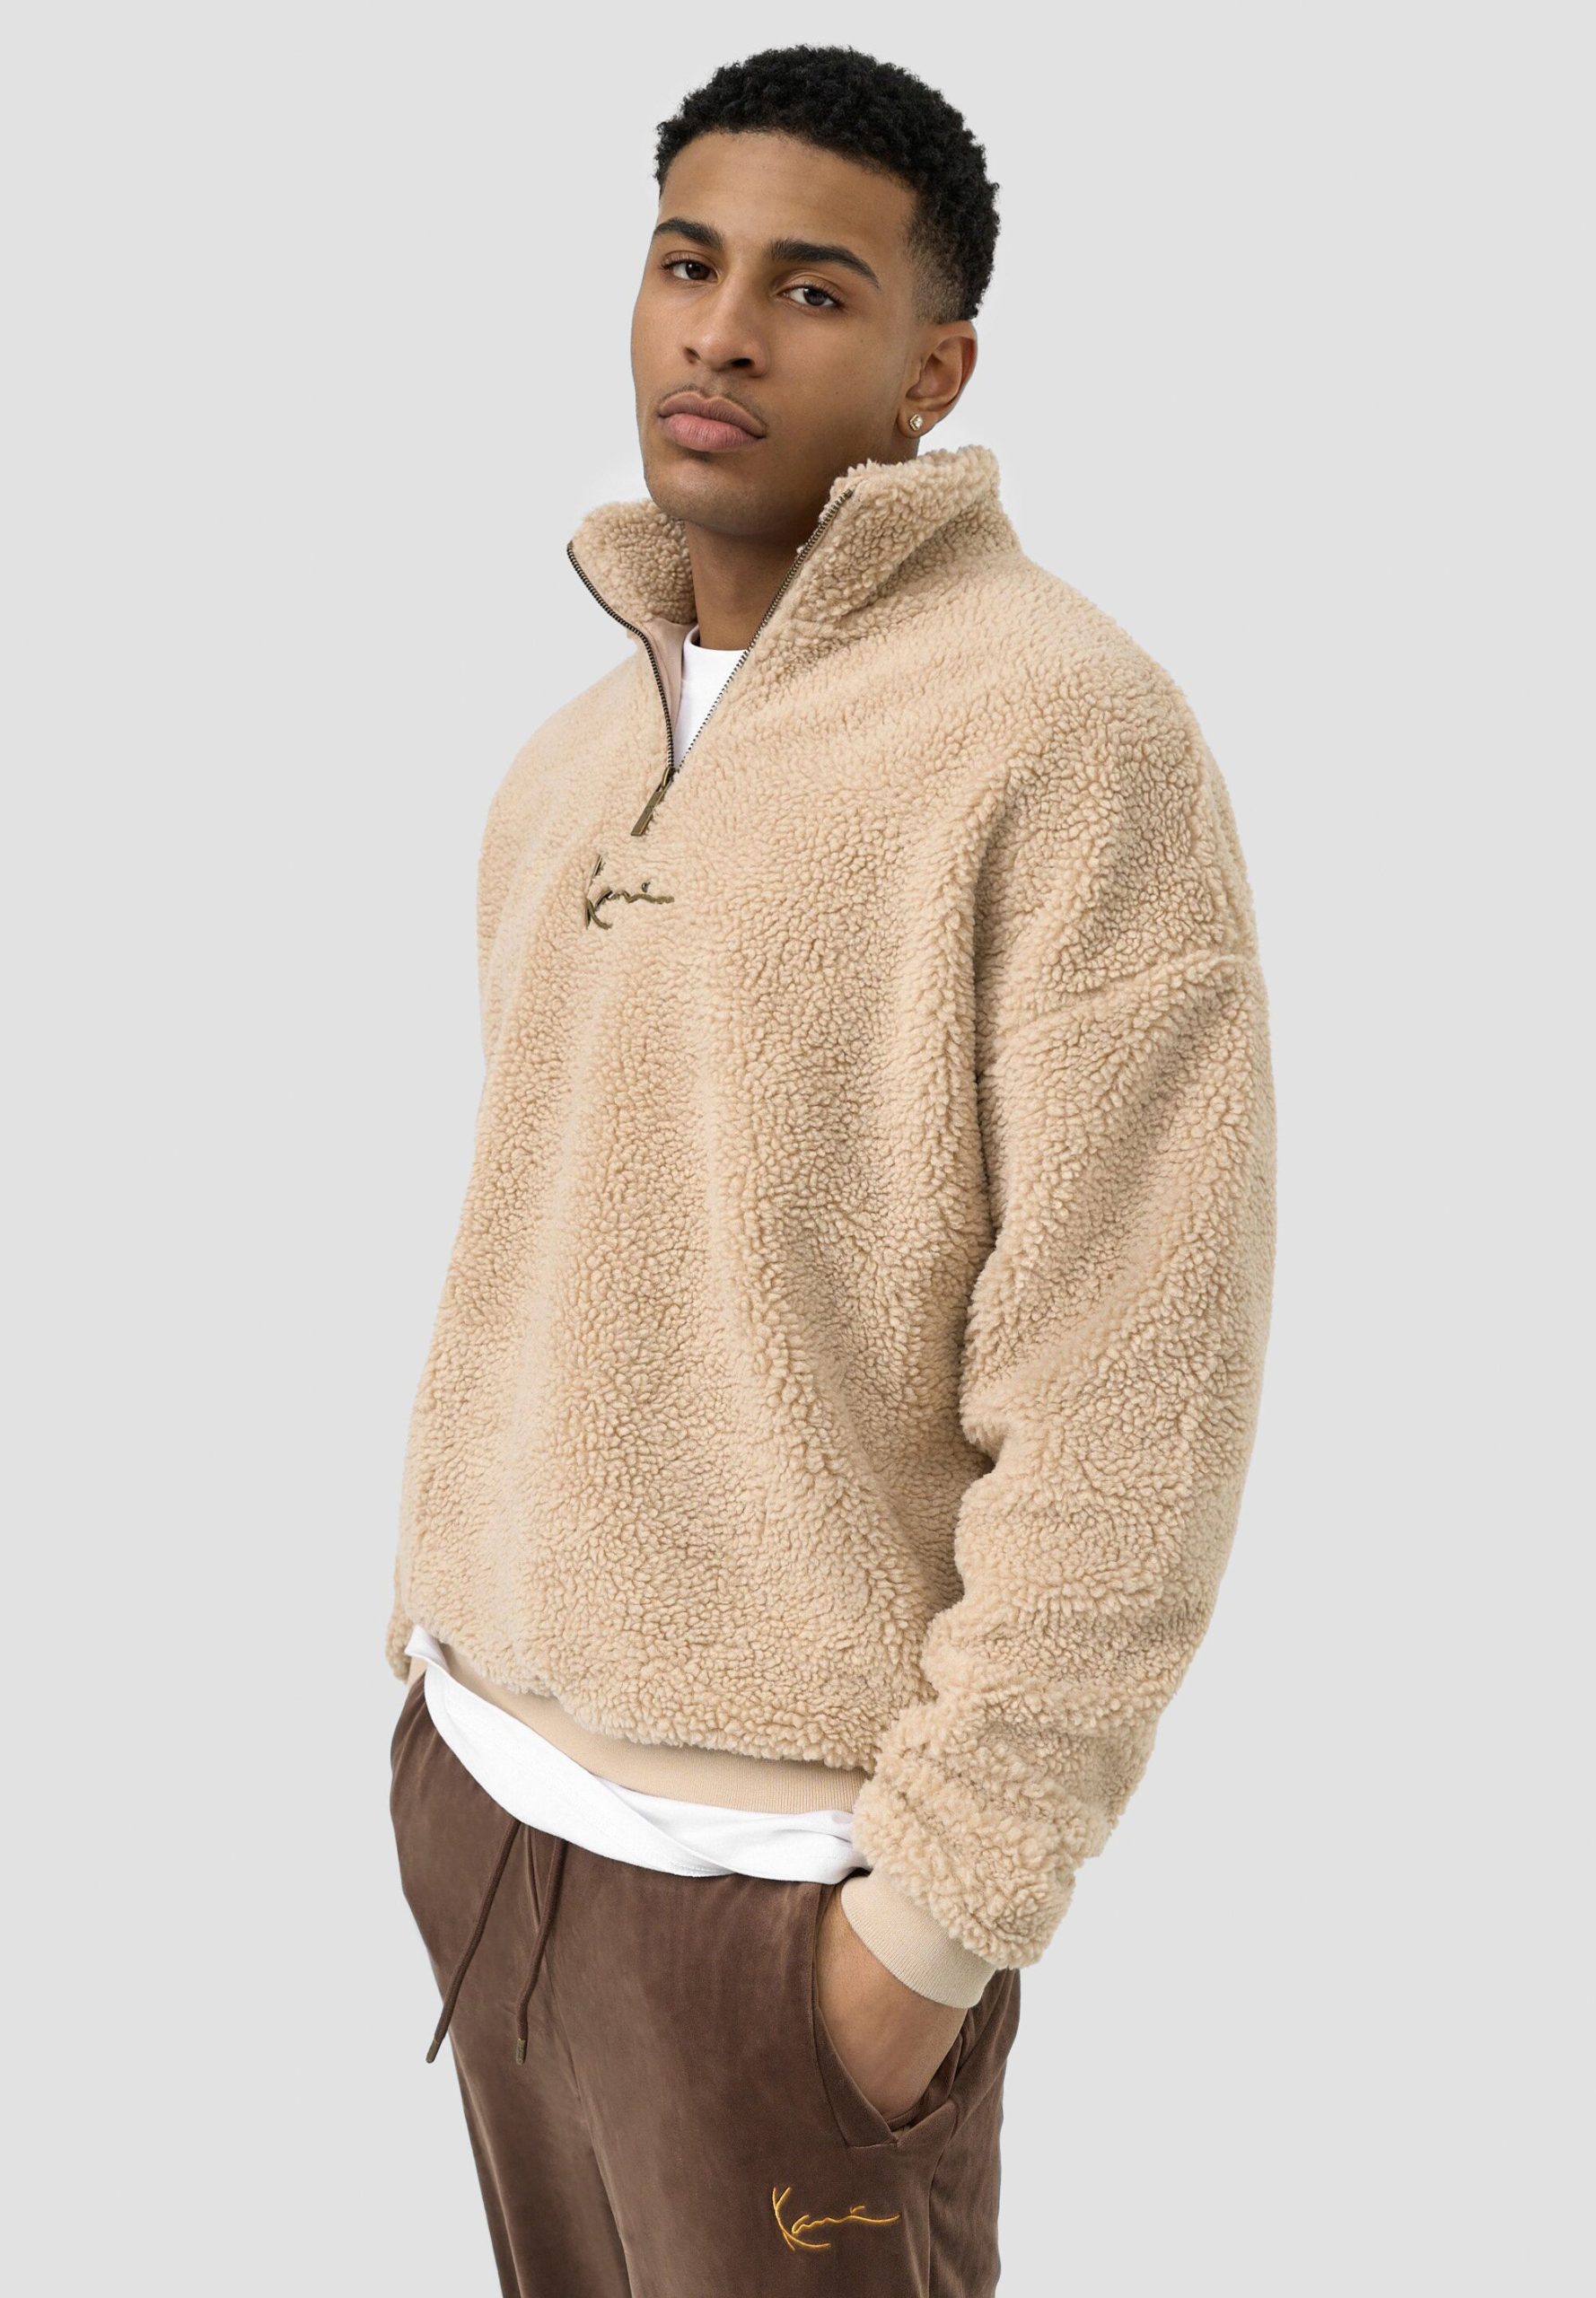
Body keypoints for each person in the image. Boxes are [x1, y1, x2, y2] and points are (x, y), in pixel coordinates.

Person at [385, 42, 1275, 2297]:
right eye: (686, 263)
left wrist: (934, 1918)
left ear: (930, 369)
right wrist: (430, 1679)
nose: (720, 331)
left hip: (791, 1905)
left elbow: (1136, 1373)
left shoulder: (1064, 732)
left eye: (809, 288)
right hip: (488, 1816)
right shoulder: (569, 754)